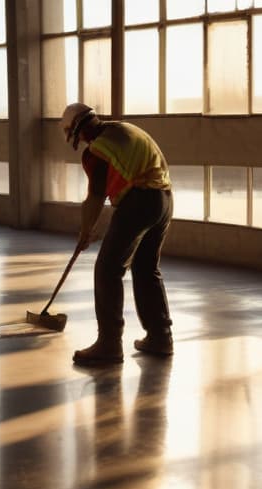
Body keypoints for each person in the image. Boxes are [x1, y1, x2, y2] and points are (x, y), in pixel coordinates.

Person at [61, 102, 173, 365]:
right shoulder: (123, 128)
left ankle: (109, 344)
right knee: (146, 268)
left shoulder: (97, 150)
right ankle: (160, 336)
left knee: (108, 269)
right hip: (164, 200)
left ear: (76, 132)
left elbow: (96, 196)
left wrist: (85, 232)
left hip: (140, 201)